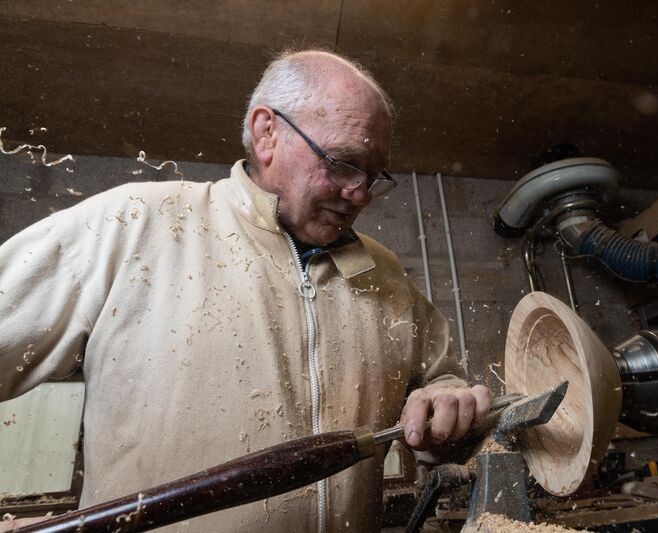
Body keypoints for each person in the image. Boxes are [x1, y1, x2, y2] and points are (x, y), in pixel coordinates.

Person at [0, 49, 490, 532]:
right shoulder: (136, 225)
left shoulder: (384, 274)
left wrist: (446, 411)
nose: (359, 194)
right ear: (266, 133)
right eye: (342, 163)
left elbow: (440, 384)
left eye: (374, 174)